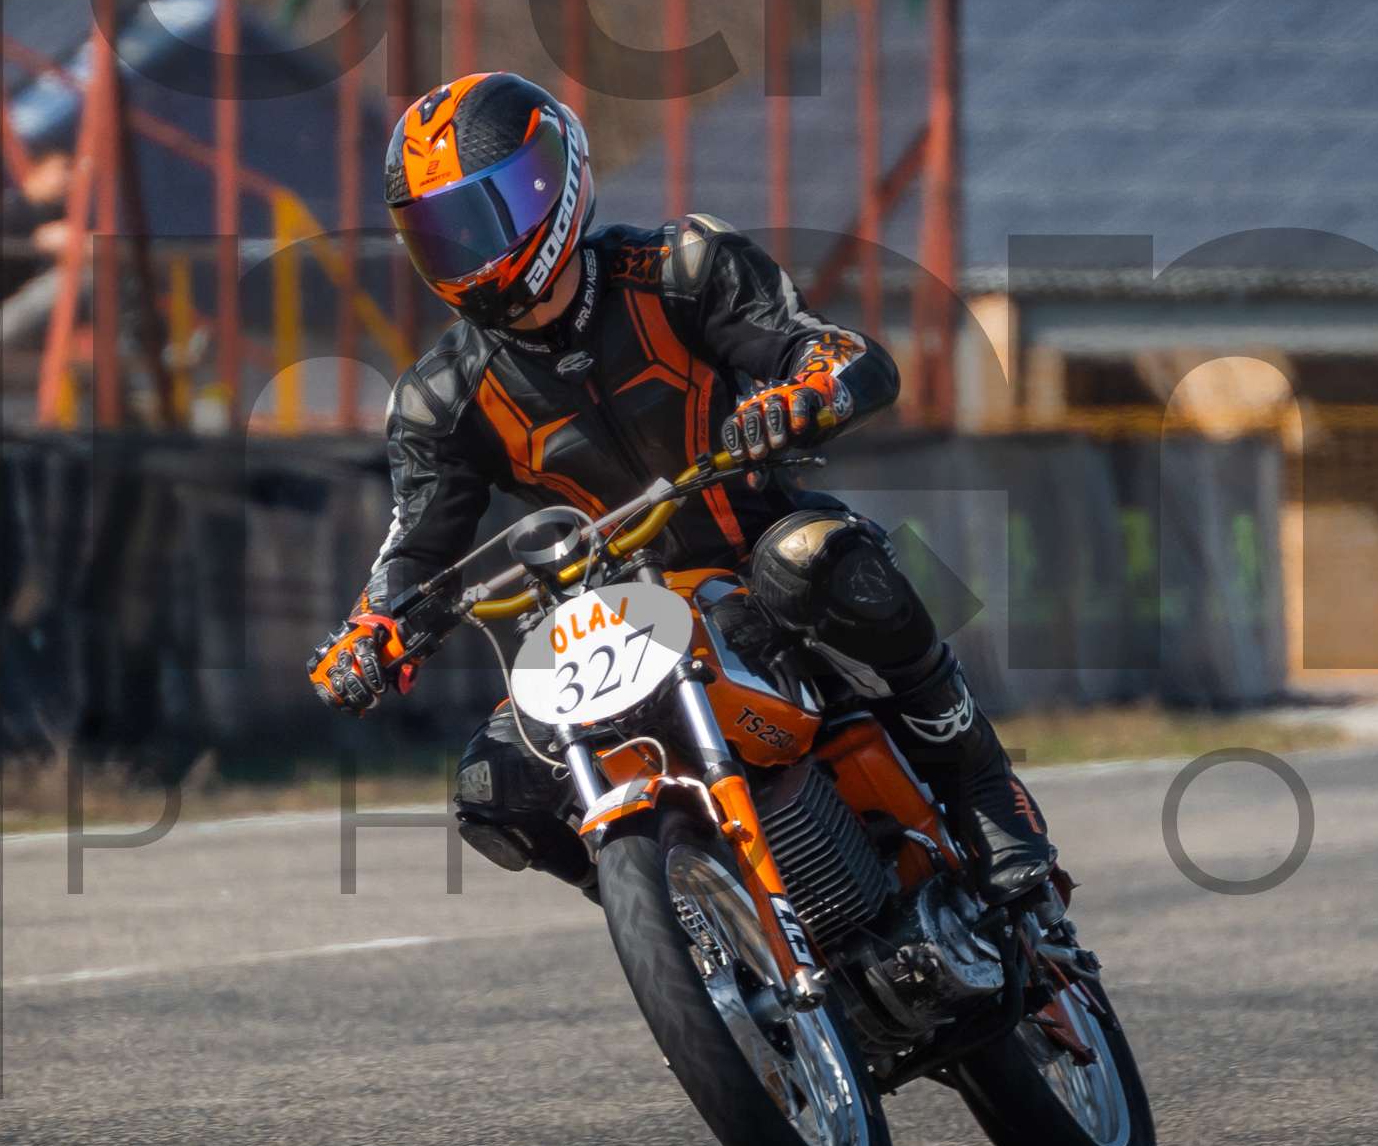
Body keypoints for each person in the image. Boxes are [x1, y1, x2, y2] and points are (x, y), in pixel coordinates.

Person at [305, 70, 1055, 905]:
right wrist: (373, 627)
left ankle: (985, 791)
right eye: (442, 233)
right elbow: (415, 545)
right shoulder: (437, 397)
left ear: (551, 181)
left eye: (483, 217)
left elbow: (838, 353)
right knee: (491, 786)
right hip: (615, 623)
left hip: (761, 558)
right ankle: (690, 920)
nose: (468, 252)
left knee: (812, 556)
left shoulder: (683, 266)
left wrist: (804, 394)